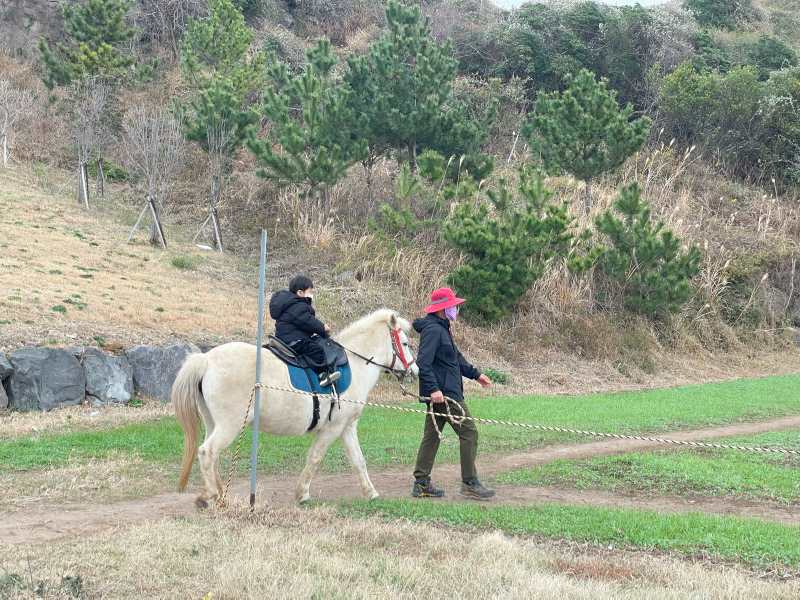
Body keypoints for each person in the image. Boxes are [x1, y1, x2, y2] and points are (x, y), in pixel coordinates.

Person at [411, 287, 494, 500]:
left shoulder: (442, 328)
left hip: (444, 393)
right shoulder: (433, 330)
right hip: (445, 395)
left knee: (431, 437)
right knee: (469, 432)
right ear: (443, 309)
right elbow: (423, 363)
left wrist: (476, 375)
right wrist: (434, 390)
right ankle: (469, 483)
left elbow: (456, 358)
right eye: (454, 306)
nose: (456, 309)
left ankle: (421, 484)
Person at [269, 275, 339, 387]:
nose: (312, 295)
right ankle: (323, 375)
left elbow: (303, 323)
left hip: (286, 338)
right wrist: (323, 328)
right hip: (294, 340)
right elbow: (308, 321)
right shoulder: (298, 305)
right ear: (300, 293)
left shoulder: (290, 305)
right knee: (317, 350)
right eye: (310, 292)